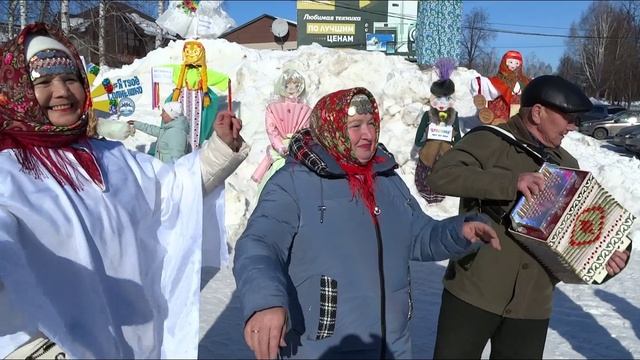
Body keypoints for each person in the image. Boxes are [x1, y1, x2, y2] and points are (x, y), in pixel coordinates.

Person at [0, 23, 248, 359]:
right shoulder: (8, 169)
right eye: (42, 83)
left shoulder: (111, 156)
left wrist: (220, 148)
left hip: (134, 344)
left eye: (70, 79)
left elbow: (172, 190)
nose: (61, 92)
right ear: (18, 93)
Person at [233, 87, 501, 359]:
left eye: (372, 123)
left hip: (392, 347)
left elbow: (418, 235)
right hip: (322, 348)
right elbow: (258, 245)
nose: (368, 134)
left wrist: (460, 231)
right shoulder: (293, 182)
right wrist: (264, 302)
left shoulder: (386, 178)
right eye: (355, 126)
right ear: (332, 128)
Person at [427, 75, 631, 359]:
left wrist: (604, 258)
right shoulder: (490, 140)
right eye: (567, 118)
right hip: (475, 292)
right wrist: (510, 182)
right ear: (538, 112)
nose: (573, 126)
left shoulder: (567, 166)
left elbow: (576, 235)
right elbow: (440, 176)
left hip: (531, 306)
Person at [251, 69, 312, 193]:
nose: (291, 88)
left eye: (295, 85)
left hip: (296, 152)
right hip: (283, 153)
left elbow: (307, 130)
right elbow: (271, 130)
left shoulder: (305, 110)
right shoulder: (274, 108)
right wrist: (279, 146)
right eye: (287, 84)